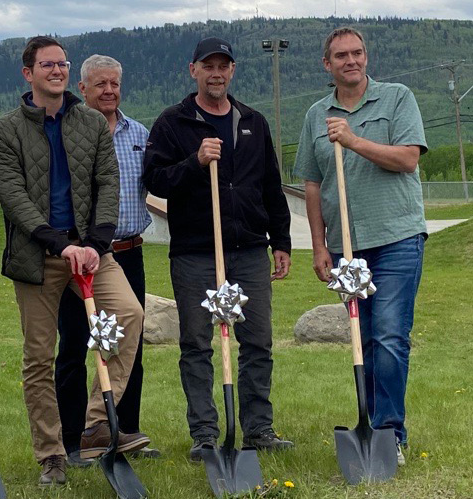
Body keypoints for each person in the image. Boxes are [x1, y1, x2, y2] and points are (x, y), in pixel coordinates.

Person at [0, 36, 147, 486]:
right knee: (40, 356)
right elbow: (15, 200)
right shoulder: (4, 131)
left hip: (92, 251)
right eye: (47, 65)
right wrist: (60, 245)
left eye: (62, 64)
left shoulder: (92, 122)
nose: (56, 71)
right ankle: (52, 455)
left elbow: (107, 184)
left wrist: (95, 243)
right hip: (37, 256)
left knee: (130, 315)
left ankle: (97, 421)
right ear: (28, 73)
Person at [142, 37, 293, 462]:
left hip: (248, 249)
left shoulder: (253, 122)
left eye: (223, 65)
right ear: (193, 71)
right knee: (196, 344)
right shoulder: (173, 123)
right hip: (195, 252)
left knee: (258, 341)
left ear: (232, 70)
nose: (216, 73)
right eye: (208, 65)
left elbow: (271, 188)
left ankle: (259, 429)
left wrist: (280, 241)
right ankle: (205, 434)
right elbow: (155, 181)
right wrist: (194, 162)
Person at [294, 27, 427, 467]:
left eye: (357, 53)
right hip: (348, 248)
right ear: (326, 64)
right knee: (363, 339)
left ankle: (390, 433)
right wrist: (319, 246)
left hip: (398, 238)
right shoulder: (316, 114)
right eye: (340, 55)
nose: (350, 60)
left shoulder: (397, 98)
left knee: (389, 336)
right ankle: (369, 427)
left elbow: (408, 158)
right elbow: (312, 185)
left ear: (366, 57)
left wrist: (353, 140)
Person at [55, 54, 159, 467]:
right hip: (79, 258)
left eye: (114, 84)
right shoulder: (68, 132)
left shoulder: (139, 133)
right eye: (100, 84)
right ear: (82, 89)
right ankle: (73, 439)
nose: (109, 91)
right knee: (75, 346)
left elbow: (160, 179)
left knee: (127, 343)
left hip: (127, 252)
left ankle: (123, 431)